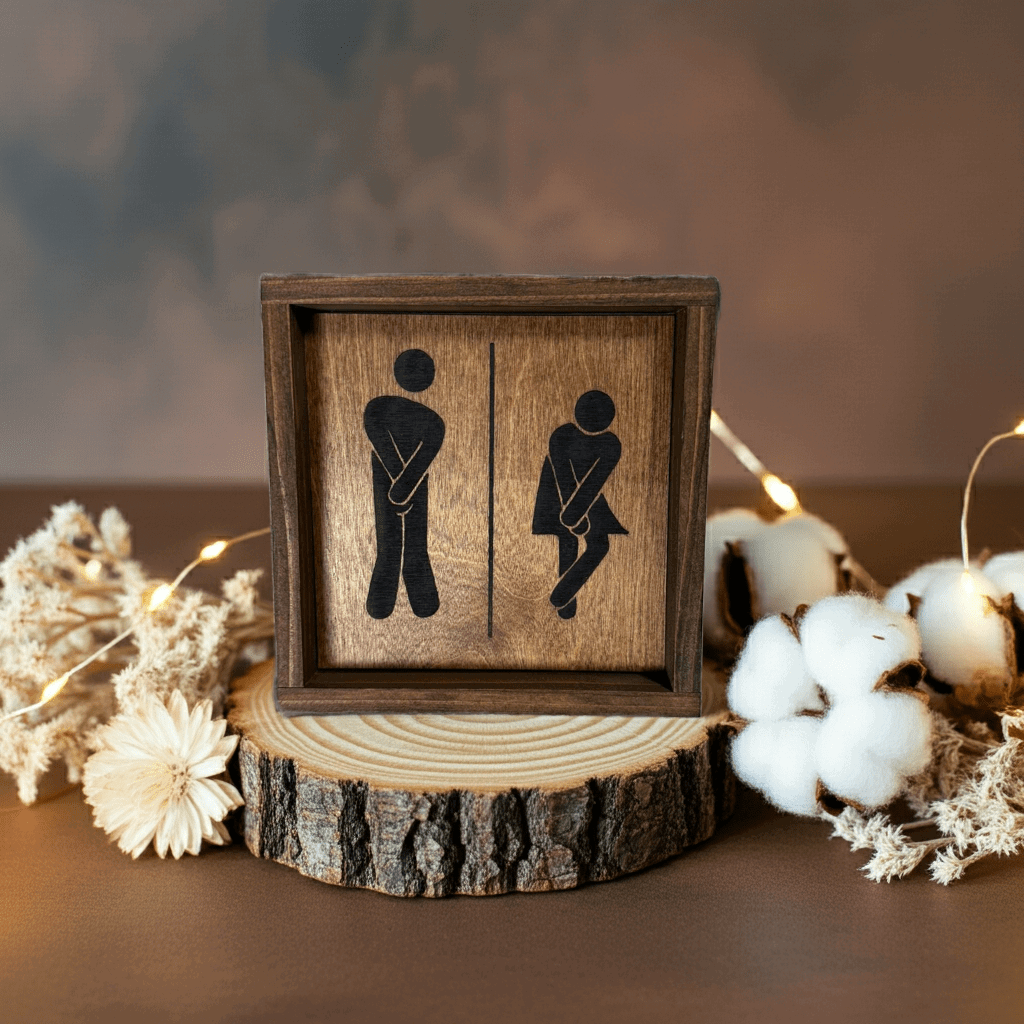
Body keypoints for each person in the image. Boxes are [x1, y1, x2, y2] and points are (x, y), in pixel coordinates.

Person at [363, 349, 445, 618]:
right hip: (397, 481)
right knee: (393, 547)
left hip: (407, 483)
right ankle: (391, 602)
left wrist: (402, 489)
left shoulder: (379, 409)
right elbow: (384, 443)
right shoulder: (430, 421)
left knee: (408, 548)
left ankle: (415, 601)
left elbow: (421, 457)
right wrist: (402, 488)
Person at [531, 390, 627, 618]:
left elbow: (593, 483)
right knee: (573, 541)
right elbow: (564, 476)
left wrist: (575, 515)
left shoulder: (607, 443)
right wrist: (572, 516)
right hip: (559, 497)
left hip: (584, 501)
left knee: (594, 545)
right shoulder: (566, 436)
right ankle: (564, 604)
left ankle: (561, 598)